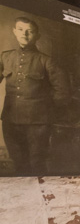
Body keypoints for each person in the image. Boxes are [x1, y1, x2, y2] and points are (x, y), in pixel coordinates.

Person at [0, 16, 68, 175]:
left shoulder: (46, 61)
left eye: (30, 31)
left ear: (37, 36)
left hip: (38, 123)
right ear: (15, 32)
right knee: (18, 163)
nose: (25, 34)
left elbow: (63, 92)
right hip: (10, 120)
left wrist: (47, 112)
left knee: (37, 163)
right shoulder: (5, 57)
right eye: (21, 30)